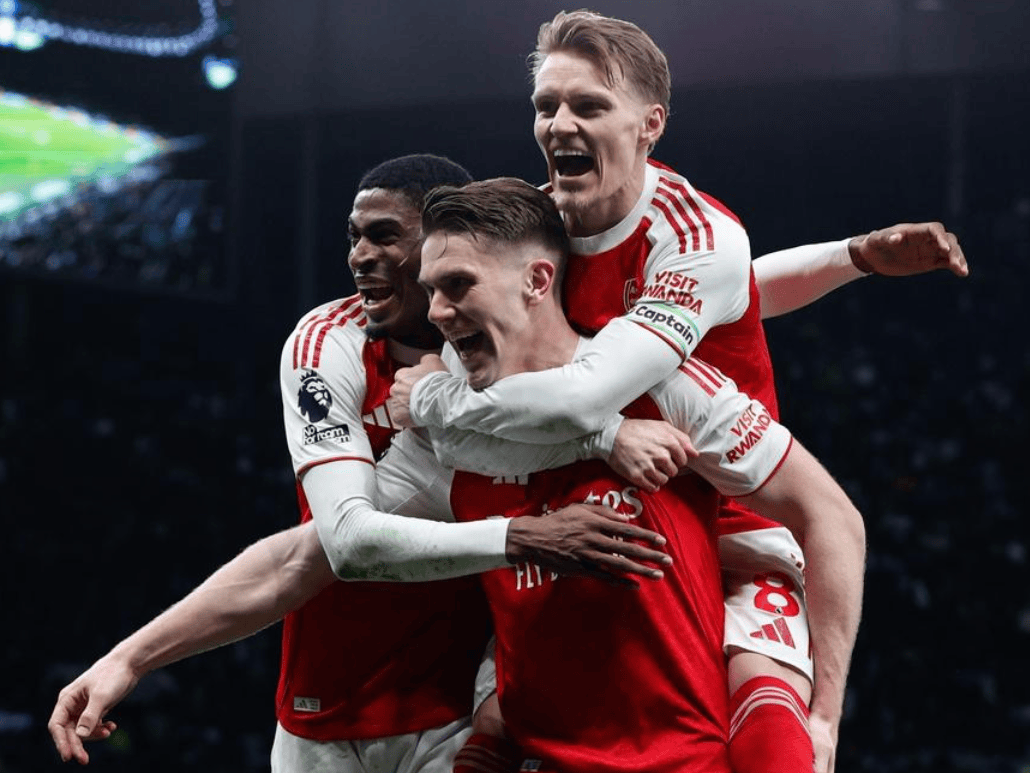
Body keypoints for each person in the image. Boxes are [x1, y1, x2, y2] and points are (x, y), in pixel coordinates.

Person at [392, 11, 967, 773]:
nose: (559, 124)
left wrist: (433, 400)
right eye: (545, 106)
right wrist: (849, 255)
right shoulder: (527, 227)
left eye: (588, 105)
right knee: (503, 725)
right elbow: (729, 295)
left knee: (775, 749)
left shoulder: (693, 240)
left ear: (649, 125)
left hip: (731, 519)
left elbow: (600, 382)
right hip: (592, 513)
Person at [46, 154, 677, 773]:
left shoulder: (523, 363)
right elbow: (323, 550)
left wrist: (606, 432)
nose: (359, 256)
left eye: (385, 236)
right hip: (319, 713)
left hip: (459, 715)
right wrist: (129, 658)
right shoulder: (329, 344)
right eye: (355, 237)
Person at [411, 176, 865, 773]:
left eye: (457, 285)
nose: (435, 312)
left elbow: (830, 515)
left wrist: (823, 718)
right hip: (540, 749)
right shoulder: (440, 424)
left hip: (685, 754)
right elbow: (350, 545)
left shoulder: (666, 387)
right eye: (430, 290)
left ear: (538, 281)